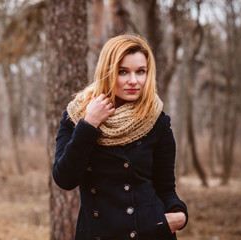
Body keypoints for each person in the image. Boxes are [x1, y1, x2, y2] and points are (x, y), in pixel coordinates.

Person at [52, 33, 188, 240]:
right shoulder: (76, 116)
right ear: (107, 72)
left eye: (140, 71)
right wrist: (89, 124)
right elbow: (65, 178)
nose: (133, 81)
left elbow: (166, 187)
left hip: (149, 232)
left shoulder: (156, 120)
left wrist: (179, 215)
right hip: (97, 233)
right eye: (122, 72)